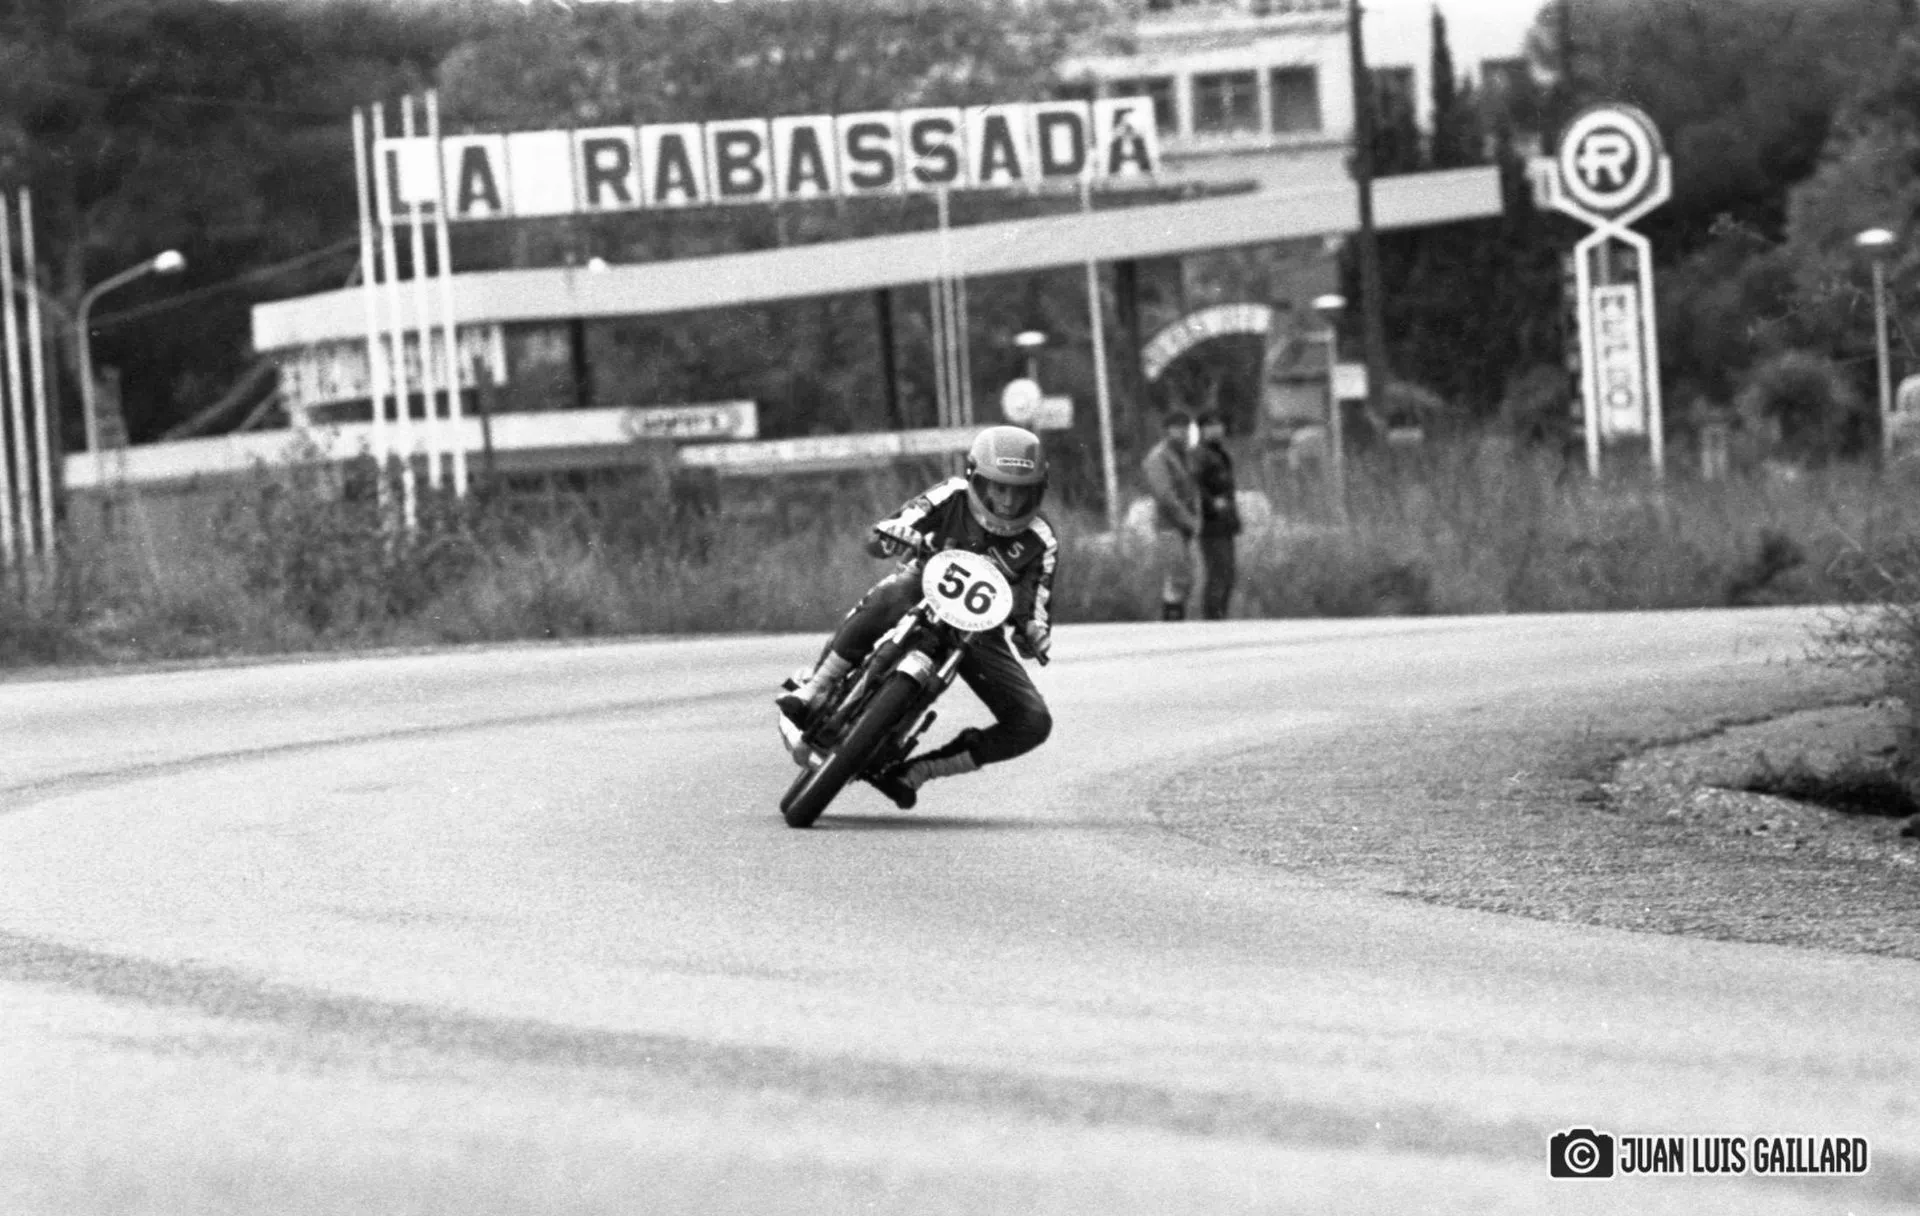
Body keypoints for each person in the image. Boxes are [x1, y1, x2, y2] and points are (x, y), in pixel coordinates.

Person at [775, 425, 1057, 809]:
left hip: (977, 631)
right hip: (920, 586)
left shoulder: (1042, 539)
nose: (1008, 502)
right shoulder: (952, 493)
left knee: (1034, 721)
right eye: (999, 488)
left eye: (1020, 492)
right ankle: (814, 689)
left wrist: (1033, 634)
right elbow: (888, 529)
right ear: (976, 478)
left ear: (1037, 491)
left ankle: (920, 771)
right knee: (895, 590)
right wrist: (891, 535)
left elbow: (1034, 610)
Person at [1140, 409, 1201, 620]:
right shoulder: (1158, 457)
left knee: (1185, 577)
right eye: (1177, 428)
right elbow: (1165, 495)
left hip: (1183, 526)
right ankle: (1172, 621)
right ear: (1167, 430)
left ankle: (1177, 618)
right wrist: (1189, 520)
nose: (1182, 432)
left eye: (1185, 428)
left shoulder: (1185, 455)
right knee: (1178, 576)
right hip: (1169, 524)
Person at [1190, 409, 1242, 620]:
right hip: (1210, 524)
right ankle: (1212, 620)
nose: (1217, 429)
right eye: (1211, 425)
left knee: (1228, 573)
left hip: (1225, 522)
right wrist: (1211, 503)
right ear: (1202, 430)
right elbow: (1194, 485)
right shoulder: (1199, 455)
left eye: (1219, 425)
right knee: (1218, 573)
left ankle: (1221, 616)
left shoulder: (1220, 454)